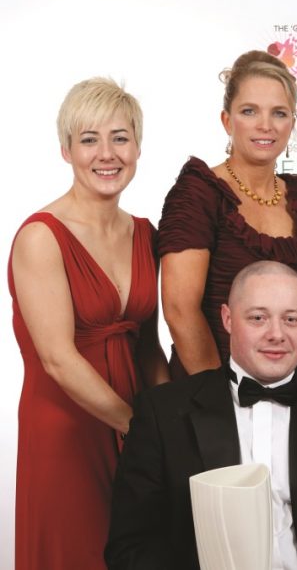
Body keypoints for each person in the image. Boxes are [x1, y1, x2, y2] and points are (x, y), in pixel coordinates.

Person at [105, 260, 297, 570]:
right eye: (258, 318)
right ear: (228, 319)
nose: (277, 334)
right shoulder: (162, 412)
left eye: (291, 319)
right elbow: (131, 545)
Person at [8, 78, 170, 570]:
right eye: (89, 139)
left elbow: (148, 346)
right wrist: (139, 428)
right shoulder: (41, 236)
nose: (107, 154)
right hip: (66, 432)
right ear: (66, 150)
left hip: (135, 427)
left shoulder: (145, 233)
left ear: (137, 147)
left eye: (120, 138)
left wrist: (172, 422)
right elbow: (57, 359)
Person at [159, 50, 297, 380]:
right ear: (227, 121)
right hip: (205, 389)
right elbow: (180, 310)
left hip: (293, 396)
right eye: (249, 111)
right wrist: (220, 399)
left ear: (292, 123)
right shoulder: (199, 193)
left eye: (279, 113)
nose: (265, 125)